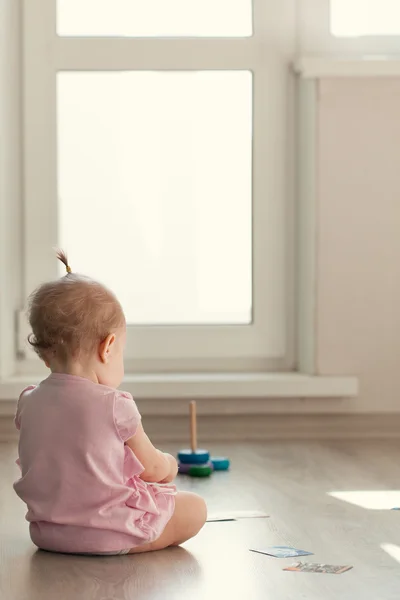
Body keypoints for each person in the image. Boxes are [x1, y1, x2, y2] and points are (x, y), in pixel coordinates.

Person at [13, 251, 207, 555]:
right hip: (108, 536)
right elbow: (152, 469)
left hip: (48, 534)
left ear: (44, 351)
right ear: (108, 347)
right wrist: (170, 463)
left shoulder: (28, 401)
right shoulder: (115, 404)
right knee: (194, 508)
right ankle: (127, 538)